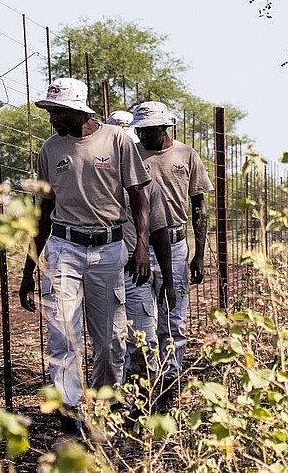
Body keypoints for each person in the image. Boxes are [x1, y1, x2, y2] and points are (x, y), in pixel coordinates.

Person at [17, 78, 152, 437]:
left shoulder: (118, 140)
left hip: (109, 248)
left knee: (109, 338)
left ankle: (107, 404)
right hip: (64, 248)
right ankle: (70, 411)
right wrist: (30, 268)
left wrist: (140, 245)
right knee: (63, 332)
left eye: (57, 112)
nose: (52, 120)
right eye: (50, 112)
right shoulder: (49, 149)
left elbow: (139, 197)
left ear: (78, 111)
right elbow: (43, 213)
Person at [129, 101, 213, 411]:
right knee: (140, 322)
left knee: (172, 320)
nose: (145, 136)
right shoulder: (132, 154)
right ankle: (139, 384)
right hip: (138, 243)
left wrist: (200, 254)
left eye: (151, 131)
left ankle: (168, 384)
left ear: (165, 128)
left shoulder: (185, 154)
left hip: (175, 246)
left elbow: (199, 205)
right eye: (141, 131)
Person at [103, 111, 177, 394]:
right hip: (104, 272)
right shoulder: (92, 181)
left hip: (137, 274)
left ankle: (147, 404)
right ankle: (116, 406)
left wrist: (168, 281)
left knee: (143, 342)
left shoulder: (148, 186)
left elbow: (159, 232)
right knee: (111, 342)